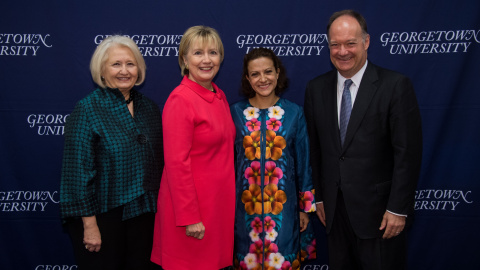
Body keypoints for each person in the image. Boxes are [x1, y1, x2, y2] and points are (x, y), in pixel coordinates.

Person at [304, 10, 423, 270]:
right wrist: (321, 199)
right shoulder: (316, 89)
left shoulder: (395, 86)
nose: (342, 51)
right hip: (335, 216)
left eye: (350, 43)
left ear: (366, 42)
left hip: (381, 217)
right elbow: (315, 150)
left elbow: (407, 154)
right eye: (335, 44)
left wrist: (398, 209)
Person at [60, 35, 164, 269]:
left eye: (130, 63)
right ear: (102, 70)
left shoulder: (149, 108)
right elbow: (77, 173)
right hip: (103, 217)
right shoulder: (87, 109)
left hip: (145, 215)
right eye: (116, 64)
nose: (124, 71)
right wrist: (89, 225)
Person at [150, 26, 235, 270]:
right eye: (198, 53)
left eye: (213, 52)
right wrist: (190, 217)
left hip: (217, 209)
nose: (207, 60)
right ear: (185, 60)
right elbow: (176, 163)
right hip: (191, 216)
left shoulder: (219, 95)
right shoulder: (181, 99)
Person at [231, 48, 316, 270]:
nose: (263, 79)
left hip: (284, 211)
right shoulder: (235, 113)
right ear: (248, 79)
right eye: (255, 74)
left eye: (268, 71)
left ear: (277, 73)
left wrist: (305, 208)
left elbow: (304, 163)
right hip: (243, 212)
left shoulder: (294, 113)